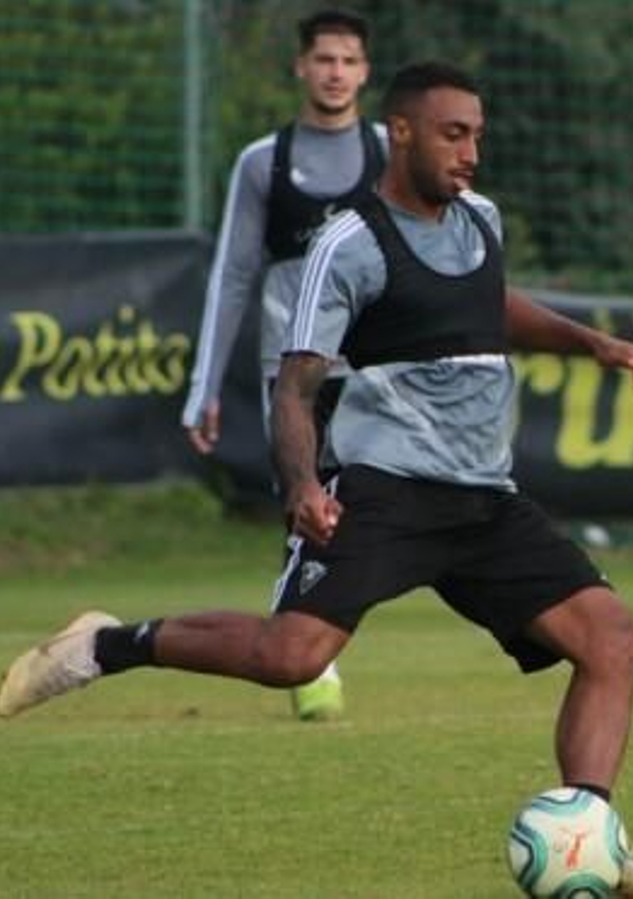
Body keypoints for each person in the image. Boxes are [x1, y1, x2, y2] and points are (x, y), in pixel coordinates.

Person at [0, 61, 633, 896]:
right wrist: (300, 483)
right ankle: (105, 644)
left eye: (477, 133)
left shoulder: (481, 218)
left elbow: (490, 303)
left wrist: (591, 341)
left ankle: (594, 841)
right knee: (292, 657)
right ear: (398, 133)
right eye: (452, 133)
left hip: (484, 497)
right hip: (384, 489)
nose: (471, 151)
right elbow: (294, 384)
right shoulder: (349, 242)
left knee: (612, 639)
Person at [181, 9, 385, 721]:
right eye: (323, 59)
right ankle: (310, 660)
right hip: (293, 371)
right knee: (305, 511)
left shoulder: (390, 151)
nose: (335, 72)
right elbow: (233, 274)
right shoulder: (262, 161)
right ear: (301, 67)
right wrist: (205, 386)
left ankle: (310, 643)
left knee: (369, 510)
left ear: (365, 72)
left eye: (348, 61)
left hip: (372, 369)